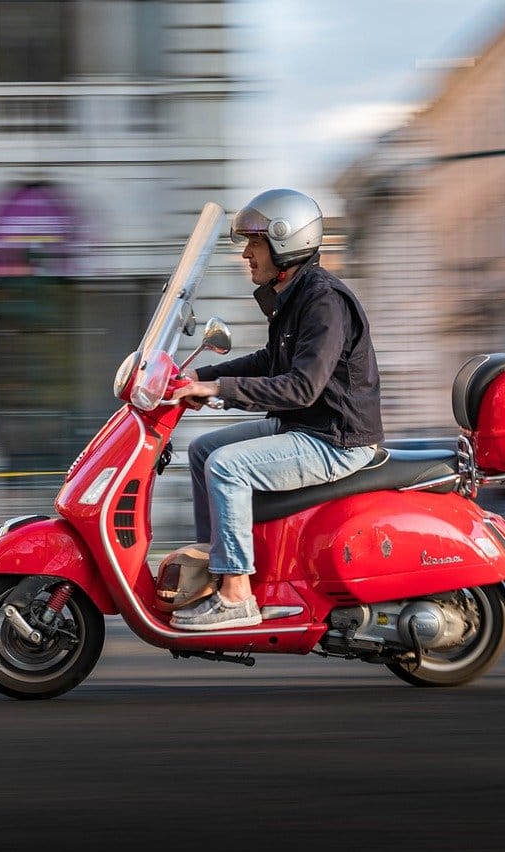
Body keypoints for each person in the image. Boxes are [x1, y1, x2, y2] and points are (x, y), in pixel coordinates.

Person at [168, 188, 384, 630]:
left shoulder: (324, 301)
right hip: (306, 427)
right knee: (204, 451)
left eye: (255, 242)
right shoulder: (292, 295)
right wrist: (199, 379)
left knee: (227, 467)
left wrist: (217, 388)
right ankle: (217, 566)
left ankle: (236, 594)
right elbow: (271, 362)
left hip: (334, 439)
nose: (246, 253)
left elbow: (301, 387)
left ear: (286, 243)